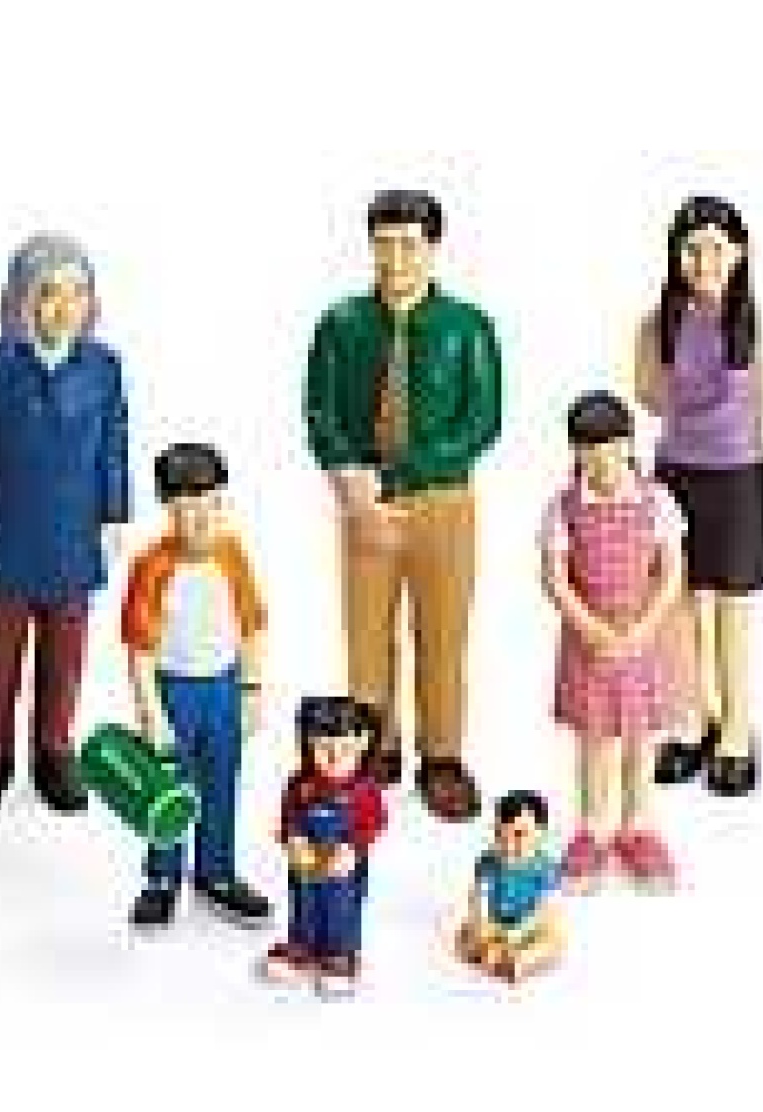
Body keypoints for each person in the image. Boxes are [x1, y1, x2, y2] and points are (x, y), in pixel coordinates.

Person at [305, 190, 502, 819]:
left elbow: (482, 420)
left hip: (443, 500)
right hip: (365, 500)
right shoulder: (340, 325)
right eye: (383, 244)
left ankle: (442, 755)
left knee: (443, 634)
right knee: (366, 634)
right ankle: (372, 744)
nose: (395, 259)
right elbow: (321, 411)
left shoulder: (467, 326)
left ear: (433, 248)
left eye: (409, 245)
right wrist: (350, 477)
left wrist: (412, 466)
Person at [0, 234, 129, 816]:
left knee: (65, 657)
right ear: (21, 299)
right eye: (49, 293)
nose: (63, 307)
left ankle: (54, 750)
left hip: (74, 537)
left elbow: (114, 446)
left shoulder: (104, 369)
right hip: (7, 538)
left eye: (77, 293)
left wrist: (114, 514)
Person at [635, 196, 763, 796]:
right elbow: (647, 393)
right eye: (691, 250)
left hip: (738, 475)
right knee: (679, 604)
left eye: (715, 249)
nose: (702, 261)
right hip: (677, 472)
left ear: (738, 253)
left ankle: (737, 732)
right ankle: (693, 720)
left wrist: (726, 438)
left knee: (731, 607)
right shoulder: (657, 324)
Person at [121, 444, 271, 929]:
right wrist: (150, 710)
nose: (201, 517)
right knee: (167, 786)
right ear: (168, 508)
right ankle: (162, 876)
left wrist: (252, 689)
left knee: (222, 780)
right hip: (174, 691)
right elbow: (139, 647)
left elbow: (252, 626)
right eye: (187, 507)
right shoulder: (151, 566)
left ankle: (217, 871)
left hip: (223, 688)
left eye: (211, 503)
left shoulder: (232, 557)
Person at [542, 392, 683, 892]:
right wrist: (590, 628)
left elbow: (670, 573)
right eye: (587, 451)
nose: (599, 462)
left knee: (641, 739)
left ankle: (637, 826)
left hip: (643, 638)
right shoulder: (563, 507)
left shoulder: (657, 500)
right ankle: (593, 829)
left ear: (627, 445)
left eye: (608, 449)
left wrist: (646, 626)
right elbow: (555, 580)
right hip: (588, 643)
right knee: (595, 739)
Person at [261, 696, 386, 997]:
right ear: (308, 744)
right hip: (306, 861)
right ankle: (302, 944)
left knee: (340, 906)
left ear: (363, 745)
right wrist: (293, 839)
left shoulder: (364, 790)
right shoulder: (300, 785)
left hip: (342, 866)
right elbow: (290, 816)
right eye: (323, 747)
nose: (333, 757)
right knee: (303, 901)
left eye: (345, 749)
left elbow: (374, 823)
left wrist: (352, 849)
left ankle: (340, 954)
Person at [456, 791, 565, 985]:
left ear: (541, 833)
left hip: (529, 924)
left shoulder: (544, 867)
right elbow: (477, 896)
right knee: (465, 934)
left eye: (519, 834)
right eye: (500, 834)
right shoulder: (489, 862)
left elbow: (547, 907)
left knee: (553, 939)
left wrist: (529, 926)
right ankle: (495, 954)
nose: (508, 844)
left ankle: (520, 960)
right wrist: (478, 921)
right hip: (494, 923)